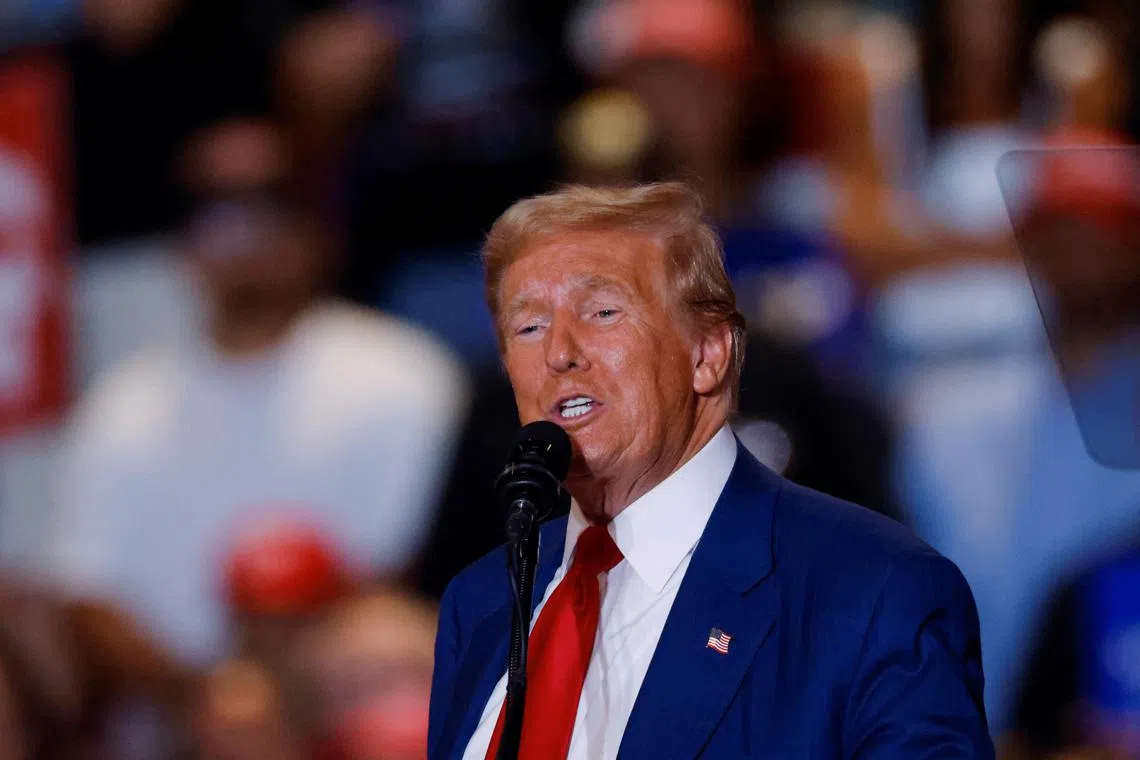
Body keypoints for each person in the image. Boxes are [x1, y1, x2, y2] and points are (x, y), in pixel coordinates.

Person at [427, 182, 992, 759]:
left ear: (708, 353)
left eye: (602, 312)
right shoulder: (481, 607)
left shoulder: (874, 592)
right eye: (528, 327)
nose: (559, 352)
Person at [48, 117, 469, 671]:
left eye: (267, 205)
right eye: (212, 210)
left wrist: (281, 698)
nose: (240, 233)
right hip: (174, 719)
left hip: (350, 701)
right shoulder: (121, 404)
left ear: (319, 229)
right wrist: (201, 704)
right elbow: (86, 589)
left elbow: (412, 568)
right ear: (181, 245)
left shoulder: (406, 374)